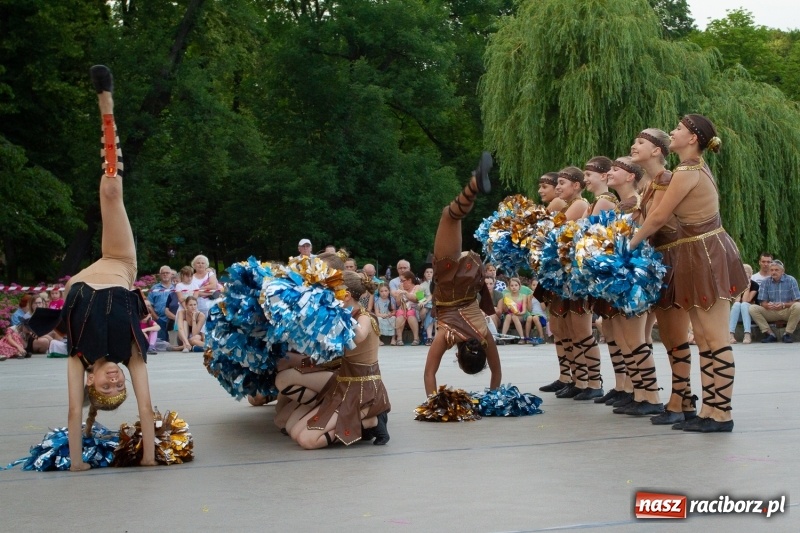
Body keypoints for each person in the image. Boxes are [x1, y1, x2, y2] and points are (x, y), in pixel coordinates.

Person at [33, 65, 156, 469]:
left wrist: (77, 459)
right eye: (118, 384)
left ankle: (106, 110)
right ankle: (107, 105)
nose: (116, 380)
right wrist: (150, 460)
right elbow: (147, 405)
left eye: (107, 387)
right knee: (111, 187)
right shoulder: (131, 352)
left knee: (107, 190)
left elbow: (72, 413)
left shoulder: (77, 357)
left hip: (85, 282)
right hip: (120, 262)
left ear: (90, 383)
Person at [629, 114, 748, 432]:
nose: (673, 132)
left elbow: (656, 220)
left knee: (714, 338)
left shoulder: (686, 171)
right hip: (698, 253)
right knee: (706, 339)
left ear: (692, 138)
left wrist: (628, 248)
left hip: (706, 253)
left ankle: (721, 413)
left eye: (678, 129)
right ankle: (709, 410)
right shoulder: (688, 169)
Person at [630, 128, 696, 424]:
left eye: (641, 142)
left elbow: (656, 221)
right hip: (659, 259)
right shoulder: (651, 184)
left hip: (672, 257)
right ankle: (683, 399)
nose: (635, 145)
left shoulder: (667, 180)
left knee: (675, 335)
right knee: (669, 336)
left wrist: (625, 246)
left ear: (657, 150)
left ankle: (680, 401)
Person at [423, 153, 501, 394]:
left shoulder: (484, 335)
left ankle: (474, 185)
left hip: (468, 277)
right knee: (450, 214)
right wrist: (432, 403)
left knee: (452, 214)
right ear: (457, 356)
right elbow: (429, 374)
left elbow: (497, 372)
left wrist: (493, 395)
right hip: (449, 279)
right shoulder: (446, 336)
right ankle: (474, 185)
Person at [287, 271, 390, 448]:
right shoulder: (341, 318)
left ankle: (370, 422)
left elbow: (359, 336)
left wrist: (335, 313)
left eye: (332, 292)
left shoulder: (365, 316)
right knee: (295, 432)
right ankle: (363, 422)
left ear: (347, 295)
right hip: (342, 384)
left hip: (362, 389)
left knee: (307, 441)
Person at [605, 157, 662, 415]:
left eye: (616, 169)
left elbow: (636, 236)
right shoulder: (621, 204)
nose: (610, 172)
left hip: (633, 273)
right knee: (627, 338)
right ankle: (636, 392)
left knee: (636, 339)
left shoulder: (634, 203)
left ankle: (650, 397)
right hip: (621, 272)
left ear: (630, 176)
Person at [749, 260, 800, 343]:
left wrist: (784, 305)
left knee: (798, 306)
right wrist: (767, 306)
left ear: (783, 271)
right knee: (752, 308)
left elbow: (797, 300)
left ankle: (787, 334)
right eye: (772, 270)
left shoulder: (791, 280)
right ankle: (770, 334)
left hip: (787, 310)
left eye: (776, 270)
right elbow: (762, 302)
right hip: (771, 311)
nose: (774, 272)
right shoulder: (765, 282)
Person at [729, 264, 758, 344]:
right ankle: (730, 334)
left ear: (750, 274)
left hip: (750, 309)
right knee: (737, 305)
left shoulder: (755, 285)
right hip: (737, 310)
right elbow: (737, 300)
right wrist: (739, 286)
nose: (743, 274)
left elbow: (746, 300)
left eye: (745, 272)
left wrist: (747, 287)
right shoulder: (735, 285)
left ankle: (747, 334)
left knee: (744, 305)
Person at [394, 271, 422, 346]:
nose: (401, 283)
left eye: (403, 281)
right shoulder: (400, 288)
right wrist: (400, 293)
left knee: (410, 314)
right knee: (400, 314)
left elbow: (417, 299)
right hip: (403, 308)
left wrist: (405, 293)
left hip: (415, 308)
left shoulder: (418, 287)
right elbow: (398, 303)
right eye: (401, 281)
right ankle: (399, 339)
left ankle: (416, 338)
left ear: (409, 280)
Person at [148, 265, 174, 341]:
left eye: (167, 273)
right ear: (160, 275)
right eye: (163, 273)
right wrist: (156, 317)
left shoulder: (176, 288)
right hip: (159, 319)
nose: (165, 274)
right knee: (161, 344)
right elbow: (149, 305)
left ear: (171, 274)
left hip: (173, 319)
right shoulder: (154, 288)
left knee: (173, 344)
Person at [417, 266, 435, 345]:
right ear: (424, 274)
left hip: (435, 303)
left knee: (431, 315)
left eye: (431, 272)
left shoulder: (436, 284)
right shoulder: (422, 285)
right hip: (427, 303)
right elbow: (420, 297)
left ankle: (430, 337)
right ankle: (423, 322)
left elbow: (433, 295)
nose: (429, 274)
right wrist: (422, 302)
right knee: (423, 311)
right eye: (427, 272)